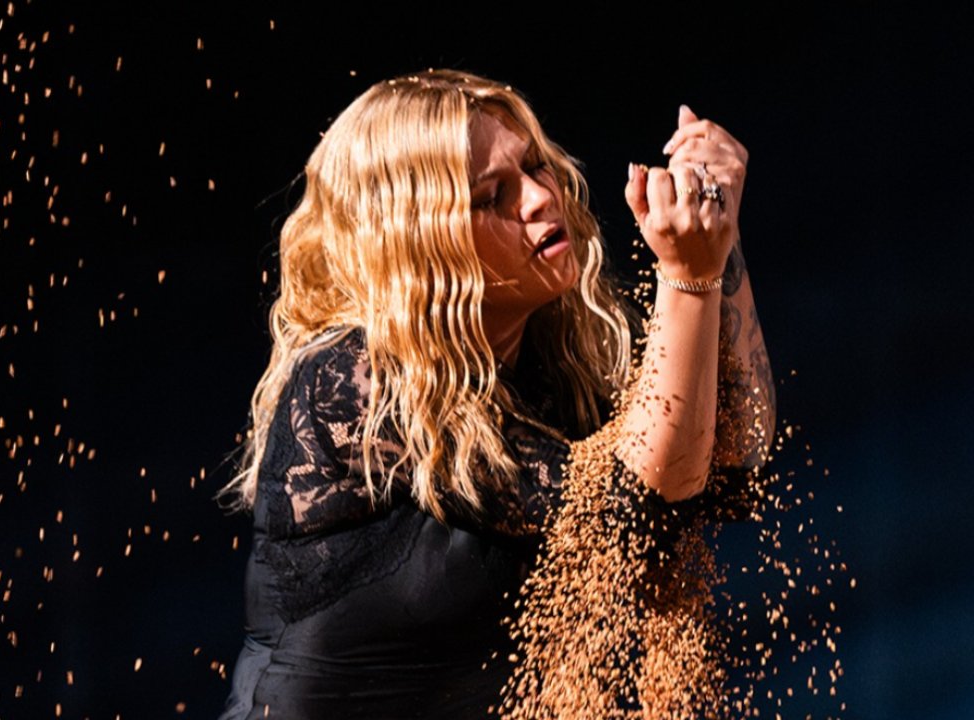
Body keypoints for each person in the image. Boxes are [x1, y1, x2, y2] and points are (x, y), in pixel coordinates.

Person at [218, 69, 774, 719]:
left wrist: (719, 234)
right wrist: (688, 275)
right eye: (492, 197)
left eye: (538, 168)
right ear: (414, 240)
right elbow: (631, 505)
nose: (541, 198)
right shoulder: (351, 381)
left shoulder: (552, 377)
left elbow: (730, 466)